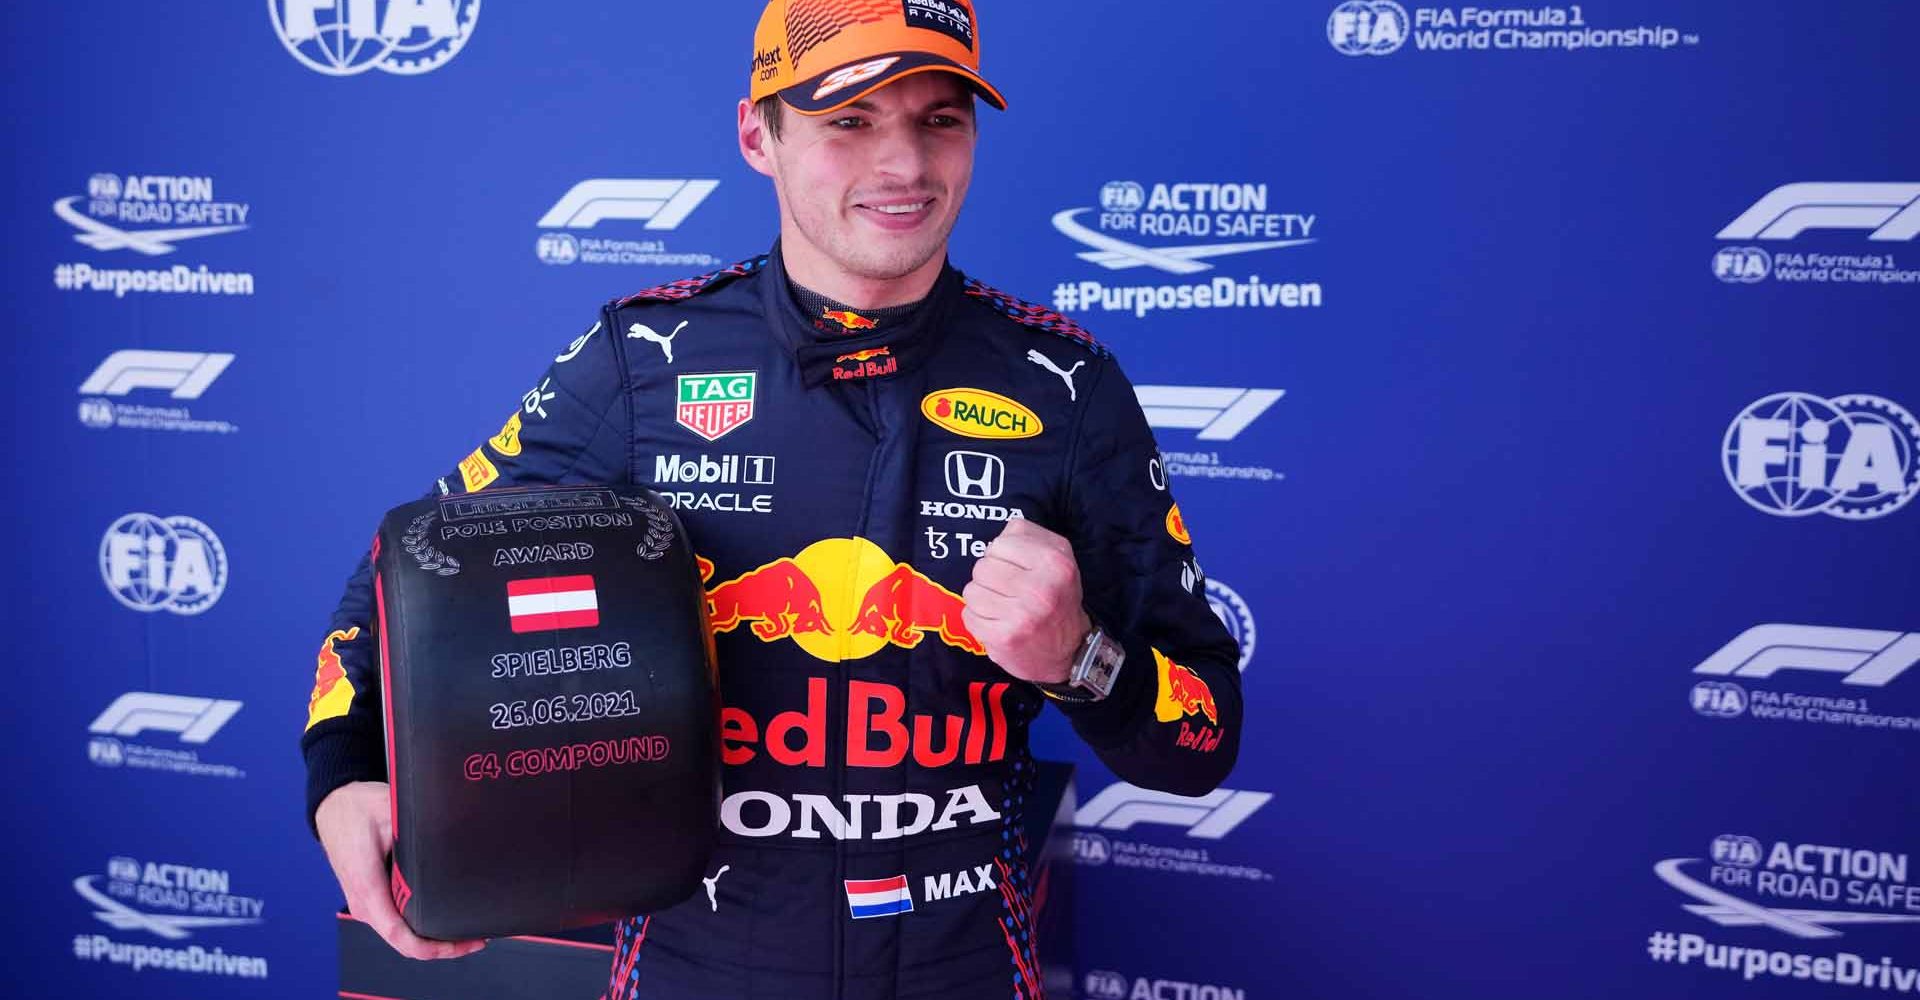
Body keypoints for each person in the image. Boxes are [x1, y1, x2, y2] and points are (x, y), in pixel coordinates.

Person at [300, 1, 1244, 997]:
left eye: (939, 119)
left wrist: (1080, 658)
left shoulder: (1066, 386)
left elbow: (1203, 736)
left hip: (960, 971)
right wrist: (343, 769)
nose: (905, 167)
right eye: (850, 120)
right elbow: (409, 564)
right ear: (759, 133)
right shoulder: (642, 360)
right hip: (691, 968)